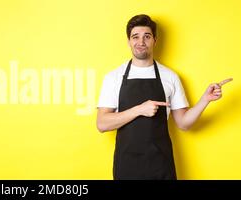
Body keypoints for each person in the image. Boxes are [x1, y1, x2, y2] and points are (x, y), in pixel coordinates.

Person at [96, 14, 232, 180]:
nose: (141, 42)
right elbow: (102, 123)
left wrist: (205, 99)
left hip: (161, 166)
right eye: (135, 37)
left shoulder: (170, 77)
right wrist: (140, 109)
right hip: (127, 167)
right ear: (128, 41)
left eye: (147, 36)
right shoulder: (113, 77)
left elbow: (183, 123)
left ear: (155, 40)